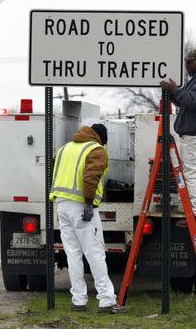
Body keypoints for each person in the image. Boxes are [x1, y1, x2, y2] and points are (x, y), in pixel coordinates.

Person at [49, 123, 124, 314]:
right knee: (95, 253)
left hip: (62, 205)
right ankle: (107, 301)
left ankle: (79, 301)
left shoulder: (65, 148)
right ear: (100, 138)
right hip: (82, 207)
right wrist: (89, 203)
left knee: (73, 254)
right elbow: (90, 178)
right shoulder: (96, 150)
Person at [160, 49, 196, 226]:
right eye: (186, 62)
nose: (187, 65)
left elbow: (193, 101)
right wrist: (173, 92)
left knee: (189, 175)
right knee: (192, 174)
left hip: (194, 135)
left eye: (190, 61)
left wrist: (175, 90)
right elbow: (184, 101)